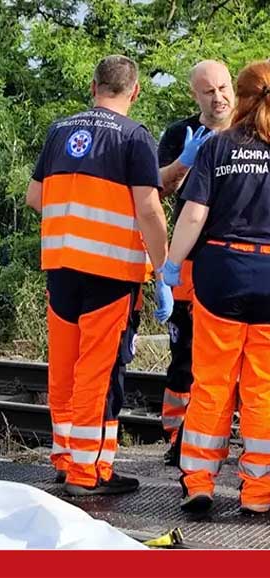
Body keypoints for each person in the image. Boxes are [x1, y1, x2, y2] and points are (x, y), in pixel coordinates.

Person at [26, 55, 170, 496]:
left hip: (61, 267)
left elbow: (35, 198)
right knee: (98, 372)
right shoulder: (134, 136)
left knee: (66, 369)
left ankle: (68, 459)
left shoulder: (58, 130)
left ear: (93, 86)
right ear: (135, 91)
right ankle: (88, 476)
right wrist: (164, 268)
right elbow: (147, 209)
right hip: (110, 272)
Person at [164, 60, 270, 514]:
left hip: (219, 277)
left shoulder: (216, 147)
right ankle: (259, 493)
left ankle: (200, 481)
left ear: (241, 98)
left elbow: (193, 215)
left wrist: (170, 267)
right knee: (263, 389)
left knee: (210, 382)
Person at [157, 60, 236, 464]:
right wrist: (187, 161)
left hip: (238, 260)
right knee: (186, 355)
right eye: (209, 91)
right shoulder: (180, 134)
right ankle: (178, 436)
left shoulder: (254, 129)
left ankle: (225, 433)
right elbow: (159, 190)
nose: (218, 97)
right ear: (195, 94)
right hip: (191, 259)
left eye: (224, 87)